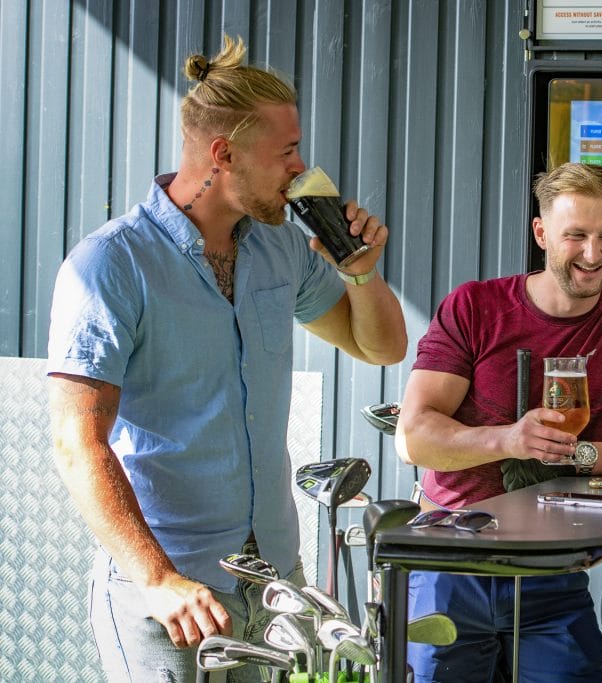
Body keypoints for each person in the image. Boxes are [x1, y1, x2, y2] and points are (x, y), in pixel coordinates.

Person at [46, 36, 407, 682]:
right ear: (223, 154)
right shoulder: (112, 264)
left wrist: (360, 271)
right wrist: (158, 579)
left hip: (275, 582)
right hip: (172, 593)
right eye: (286, 151)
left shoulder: (282, 247)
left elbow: (380, 345)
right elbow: (78, 444)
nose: (300, 168)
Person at [395, 161, 602, 682]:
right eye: (576, 236)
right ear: (541, 234)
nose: (594, 254)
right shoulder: (475, 305)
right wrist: (511, 440)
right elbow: (413, 438)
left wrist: (574, 453)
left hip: (555, 567)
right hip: (452, 556)